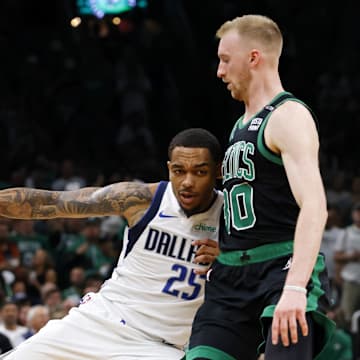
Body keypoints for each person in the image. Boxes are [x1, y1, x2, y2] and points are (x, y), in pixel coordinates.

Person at [0, 128, 223, 360]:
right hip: (100, 321)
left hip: (160, 347)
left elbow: (259, 275)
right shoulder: (144, 199)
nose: (187, 182)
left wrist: (230, 259)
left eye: (199, 172)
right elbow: (53, 202)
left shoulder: (234, 218)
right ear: (169, 169)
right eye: (179, 171)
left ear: (218, 171)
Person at [186, 15, 335, 360]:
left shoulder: (287, 116)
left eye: (225, 60)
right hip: (230, 278)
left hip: (280, 270)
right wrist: (226, 247)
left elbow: (315, 205)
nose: (219, 72)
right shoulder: (240, 125)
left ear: (254, 58)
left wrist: (296, 287)